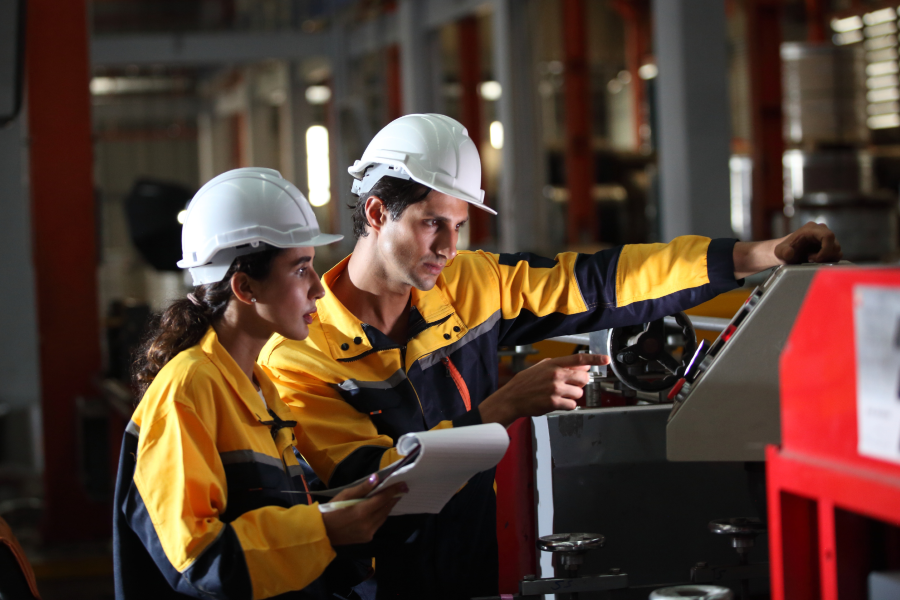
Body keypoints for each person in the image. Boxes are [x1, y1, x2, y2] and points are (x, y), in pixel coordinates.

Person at [257, 114, 843, 598]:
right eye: (433, 223)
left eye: (459, 225)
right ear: (378, 213)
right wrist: (503, 406)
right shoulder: (298, 355)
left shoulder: (472, 283)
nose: (450, 248)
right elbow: (372, 484)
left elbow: (601, 281)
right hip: (391, 578)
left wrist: (759, 253)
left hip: (492, 549)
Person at [113, 167, 406, 600]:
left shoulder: (257, 387)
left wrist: (347, 512)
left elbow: (271, 515)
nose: (318, 289)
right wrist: (324, 529)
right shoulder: (188, 388)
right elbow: (199, 561)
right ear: (245, 287)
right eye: (300, 269)